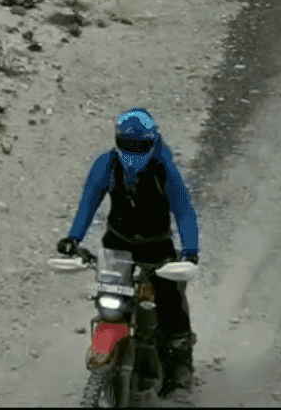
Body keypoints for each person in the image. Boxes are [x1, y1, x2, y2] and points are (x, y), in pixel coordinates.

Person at [55, 108, 202, 395]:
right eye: (128, 145)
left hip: (157, 250)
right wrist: (72, 239)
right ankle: (111, 348)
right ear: (117, 141)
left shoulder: (164, 170)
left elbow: (184, 213)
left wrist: (190, 251)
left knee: (172, 308)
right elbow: (88, 203)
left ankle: (180, 373)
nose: (133, 152)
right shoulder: (106, 166)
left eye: (141, 146)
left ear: (152, 143)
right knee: (110, 305)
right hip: (117, 247)